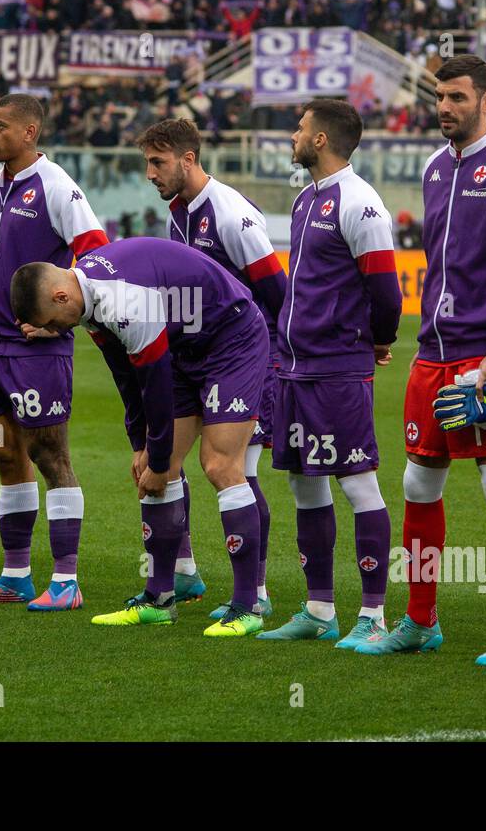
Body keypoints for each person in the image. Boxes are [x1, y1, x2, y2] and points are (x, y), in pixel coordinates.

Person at [360, 55, 486, 665]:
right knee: (417, 480)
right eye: (440, 97)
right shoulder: (437, 166)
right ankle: (420, 619)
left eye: (458, 98)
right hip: (433, 350)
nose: (444, 107)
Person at [9, 238, 271, 637]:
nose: (52, 330)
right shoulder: (88, 301)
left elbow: (156, 385)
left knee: (219, 465)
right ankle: (159, 599)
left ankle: (248, 606)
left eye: (49, 321)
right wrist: (141, 447)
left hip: (230, 340)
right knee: (154, 466)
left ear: (61, 296)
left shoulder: (123, 301)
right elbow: (125, 378)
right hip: (183, 344)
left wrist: (160, 460)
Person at [0, 94, 109, 609]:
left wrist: (68, 317)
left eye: (0, 126)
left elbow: (97, 255)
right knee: (5, 456)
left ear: (30, 132)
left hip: (37, 354)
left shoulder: (57, 186)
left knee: (50, 456)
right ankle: (15, 574)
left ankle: (66, 582)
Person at [257, 99, 402, 646]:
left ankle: (374, 615)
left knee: (358, 483)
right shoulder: (304, 201)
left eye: (300, 128)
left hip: (338, 368)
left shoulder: (360, 202)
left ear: (321, 139)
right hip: (295, 367)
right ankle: (319, 609)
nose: (293, 135)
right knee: (304, 484)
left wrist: (376, 341)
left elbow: (385, 291)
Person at [140, 117, 288, 616]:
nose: (150, 174)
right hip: (193, 358)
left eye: (158, 163)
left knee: (234, 469)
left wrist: (276, 358)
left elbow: (275, 292)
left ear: (188, 160)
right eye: (147, 163)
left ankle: (257, 594)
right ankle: (176, 580)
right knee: (158, 465)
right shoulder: (178, 214)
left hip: (244, 356)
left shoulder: (228, 211)